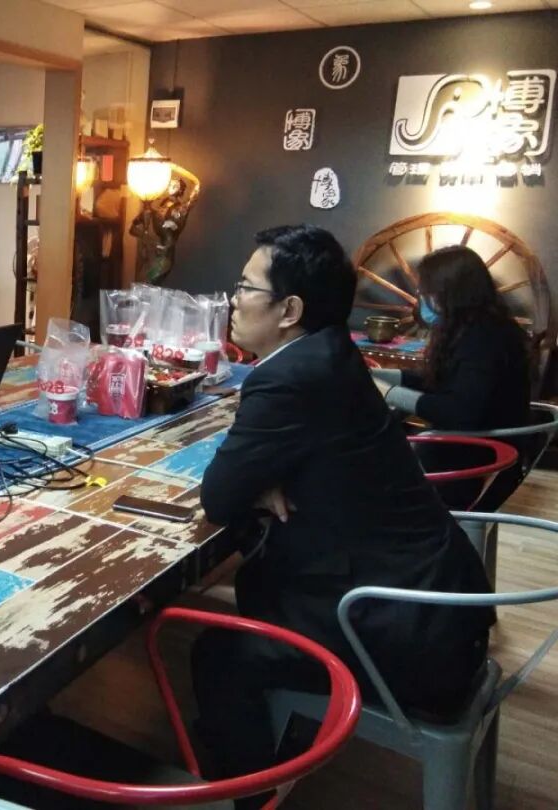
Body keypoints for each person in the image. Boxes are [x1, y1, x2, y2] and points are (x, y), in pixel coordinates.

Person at [194, 225, 493, 809]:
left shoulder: (286, 378)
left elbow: (218, 498)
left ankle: (253, 796)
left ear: (289, 310)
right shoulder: (332, 353)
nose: (233, 299)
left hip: (408, 635)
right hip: (444, 605)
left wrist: (257, 484)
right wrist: (267, 481)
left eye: (246, 287)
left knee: (217, 652)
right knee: (253, 585)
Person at [371, 245, 531, 509]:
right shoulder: (476, 327)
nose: (421, 298)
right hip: (472, 445)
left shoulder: (484, 339)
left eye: (427, 292)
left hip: (481, 458)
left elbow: (458, 411)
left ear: (451, 293)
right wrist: (383, 376)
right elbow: (443, 384)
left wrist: (388, 393)